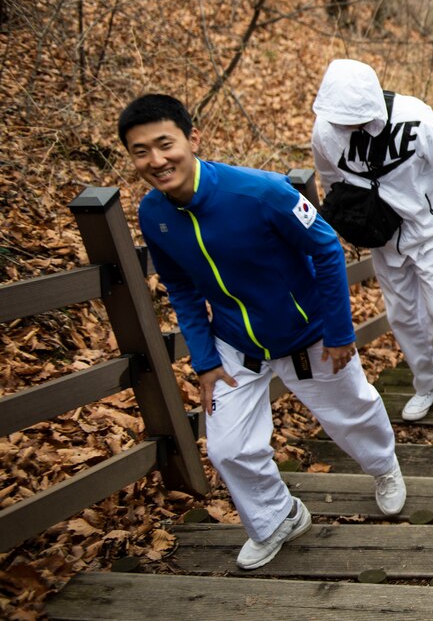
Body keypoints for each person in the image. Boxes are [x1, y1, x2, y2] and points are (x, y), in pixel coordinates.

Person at [118, 94, 405, 571]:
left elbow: (327, 249)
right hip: (236, 344)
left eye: (165, 144)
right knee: (228, 447)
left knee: (352, 413)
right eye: (140, 151)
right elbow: (181, 287)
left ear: (192, 139)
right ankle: (278, 516)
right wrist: (204, 360)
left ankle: (384, 467)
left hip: (308, 334)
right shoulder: (154, 214)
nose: (156, 160)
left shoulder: (260, 192)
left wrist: (338, 332)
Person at [310, 59, 433, 421]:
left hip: (431, 230)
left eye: (353, 118)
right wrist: (349, 220)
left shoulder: (416, 119)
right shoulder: (325, 132)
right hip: (383, 237)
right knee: (404, 317)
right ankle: (428, 382)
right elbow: (331, 181)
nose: (346, 125)